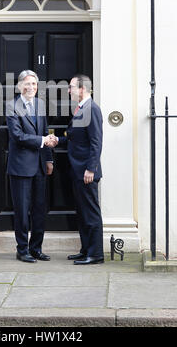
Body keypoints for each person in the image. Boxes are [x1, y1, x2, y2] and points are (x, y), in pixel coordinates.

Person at [6, 70, 57, 263]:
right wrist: (43, 140)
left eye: (34, 84)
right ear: (19, 86)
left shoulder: (40, 104)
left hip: (40, 168)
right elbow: (17, 136)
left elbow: (43, 131)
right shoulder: (12, 106)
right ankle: (22, 249)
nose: (31, 88)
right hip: (20, 168)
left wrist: (49, 159)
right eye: (27, 84)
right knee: (22, 210)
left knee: (39, 210)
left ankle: (36, 248)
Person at [59, 74, 104, 265]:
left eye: (71, 87)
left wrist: (91, 169)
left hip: (86, 172)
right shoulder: (81, 109)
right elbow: (74, 138)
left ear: (82, 88)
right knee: (82, 212)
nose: (68, 91)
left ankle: (96, 254)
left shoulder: (91, 109)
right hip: (78, 171)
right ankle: (86, 250)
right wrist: (55, 141)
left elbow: (96, 142)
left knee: (91, 213)